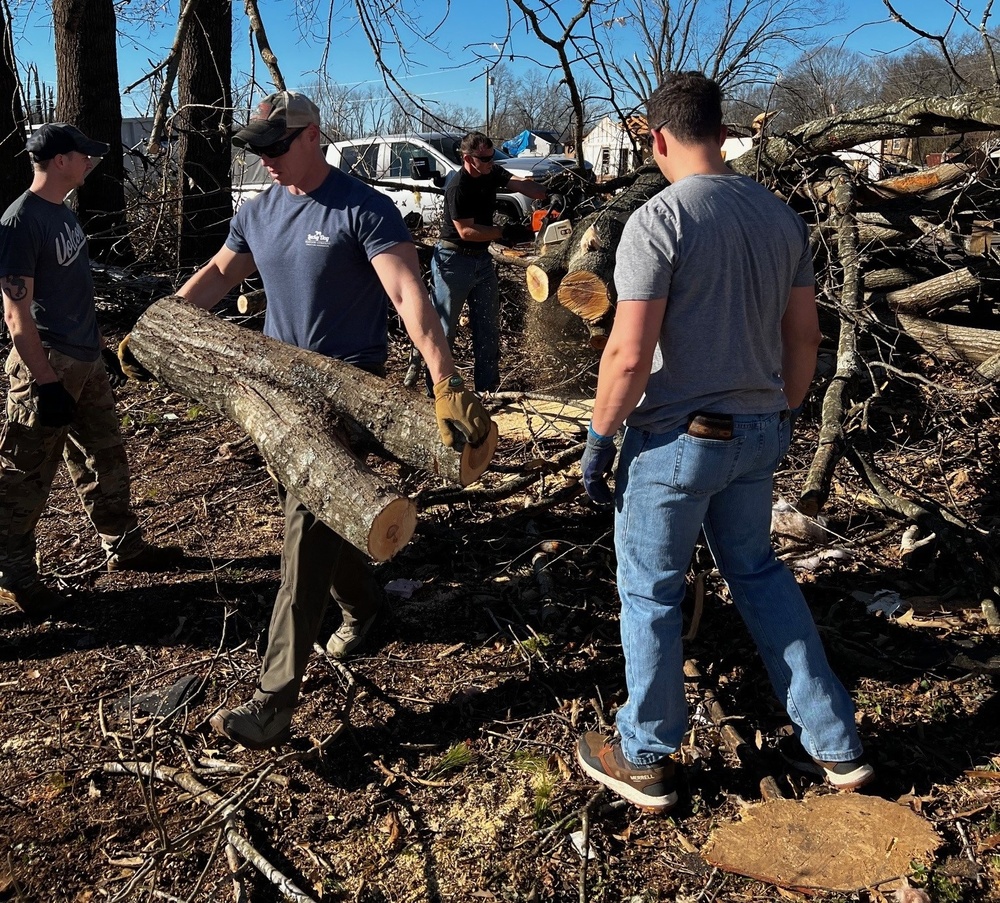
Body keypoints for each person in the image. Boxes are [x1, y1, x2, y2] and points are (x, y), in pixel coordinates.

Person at [575, 72, 873, 813]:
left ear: (657, 139)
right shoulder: (778, 217)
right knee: (760, 574)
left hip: (679, 438)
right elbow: (804, 334)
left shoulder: (659, 220)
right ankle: (835, 742)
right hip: (759, 427)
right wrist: (782, 409)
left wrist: (600, 436)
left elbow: (628, 354)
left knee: (650, 590)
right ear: (724, 131)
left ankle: (643, 752)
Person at [174, 91, 491, 750]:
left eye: (276, 147)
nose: (266, 161)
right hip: (275, 395)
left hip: (346, 397)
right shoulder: (258, 212)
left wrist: (446, 379)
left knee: (302, 534)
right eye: (257, 150)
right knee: (324, 518)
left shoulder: (361, 208)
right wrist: (162, 325)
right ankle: (365, 605)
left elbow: (408, 294)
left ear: (313, 136)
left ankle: (273, 700)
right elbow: (216, 275)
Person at [0, 124, 184, 619]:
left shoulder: (61, 214)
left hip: (84, 359)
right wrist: (44, 382)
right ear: (60, 160)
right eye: (85, 156)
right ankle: (14, 572)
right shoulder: (20, 222)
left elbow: (73, 293)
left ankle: (123, 544)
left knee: (104, 455)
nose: (92, 163)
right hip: (47, 364)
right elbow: (17, 314)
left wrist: (97, 350)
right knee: (25, 474)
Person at [429, 131, 546, 393]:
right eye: (484, 159)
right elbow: (466, 232)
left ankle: (487, 389)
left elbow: (521, 184)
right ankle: (437, 391)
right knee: (445, 329)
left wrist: (547, 192)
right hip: (453, 261)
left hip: (481, 259)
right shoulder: (457, 186)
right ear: (468, 159)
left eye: (492, 156)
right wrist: (506, 232)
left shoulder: (491, 172)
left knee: (488, 326)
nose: (490, 162)